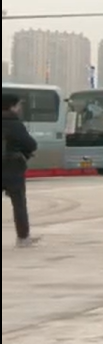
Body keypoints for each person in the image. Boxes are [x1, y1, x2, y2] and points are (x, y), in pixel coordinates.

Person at [2, 92, 39, 247]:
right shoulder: (15, 124)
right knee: (18, 203)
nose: (19, 109)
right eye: (18, 105)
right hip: (12, 168)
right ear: (12, 106)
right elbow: (31, 144)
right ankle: (23, 238)